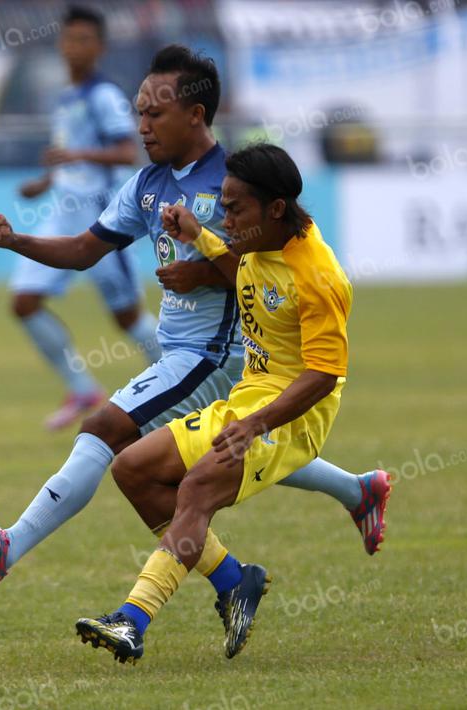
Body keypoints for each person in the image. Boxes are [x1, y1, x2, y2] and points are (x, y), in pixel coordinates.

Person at [0, 46, 390, 596]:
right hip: (185, 354)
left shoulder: (236, 183)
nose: (142, 126)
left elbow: (275, 271)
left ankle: (10, 546)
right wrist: (15, 240)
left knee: (104, 431)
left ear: (196, 114)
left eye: (153, 113)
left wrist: (208, 274)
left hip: (215, 357)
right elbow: (82, 250)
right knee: (247, 448)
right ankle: (355, 495)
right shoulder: (148, 183)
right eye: (139, 112)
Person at [75, 143, 354, 663]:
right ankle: (234, 580)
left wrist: (258, 424)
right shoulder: (258, 238)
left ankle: (132, 621)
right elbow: (238, 263)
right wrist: (196, 234)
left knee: (197, 489)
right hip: (249, 401)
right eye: (221, 206)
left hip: (293, 418)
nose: (224, 218)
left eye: (233, 209)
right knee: (132, 469)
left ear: (275, 209)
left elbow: (323, 374)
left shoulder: (318, 276)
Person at [10, 5, 161, 430]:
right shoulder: (66, 97)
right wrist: (46, 181)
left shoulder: (103, 96)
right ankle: (82, 389)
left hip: (101, 218)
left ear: (99, 46)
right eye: (69, 38)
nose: (75, 47)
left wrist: (76, 155)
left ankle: (186, 384)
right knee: (24, 302)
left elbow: (126, 152)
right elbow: (69, 156)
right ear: (61, 43)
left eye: (84, 39)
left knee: (127, 318)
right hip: (62, 214)